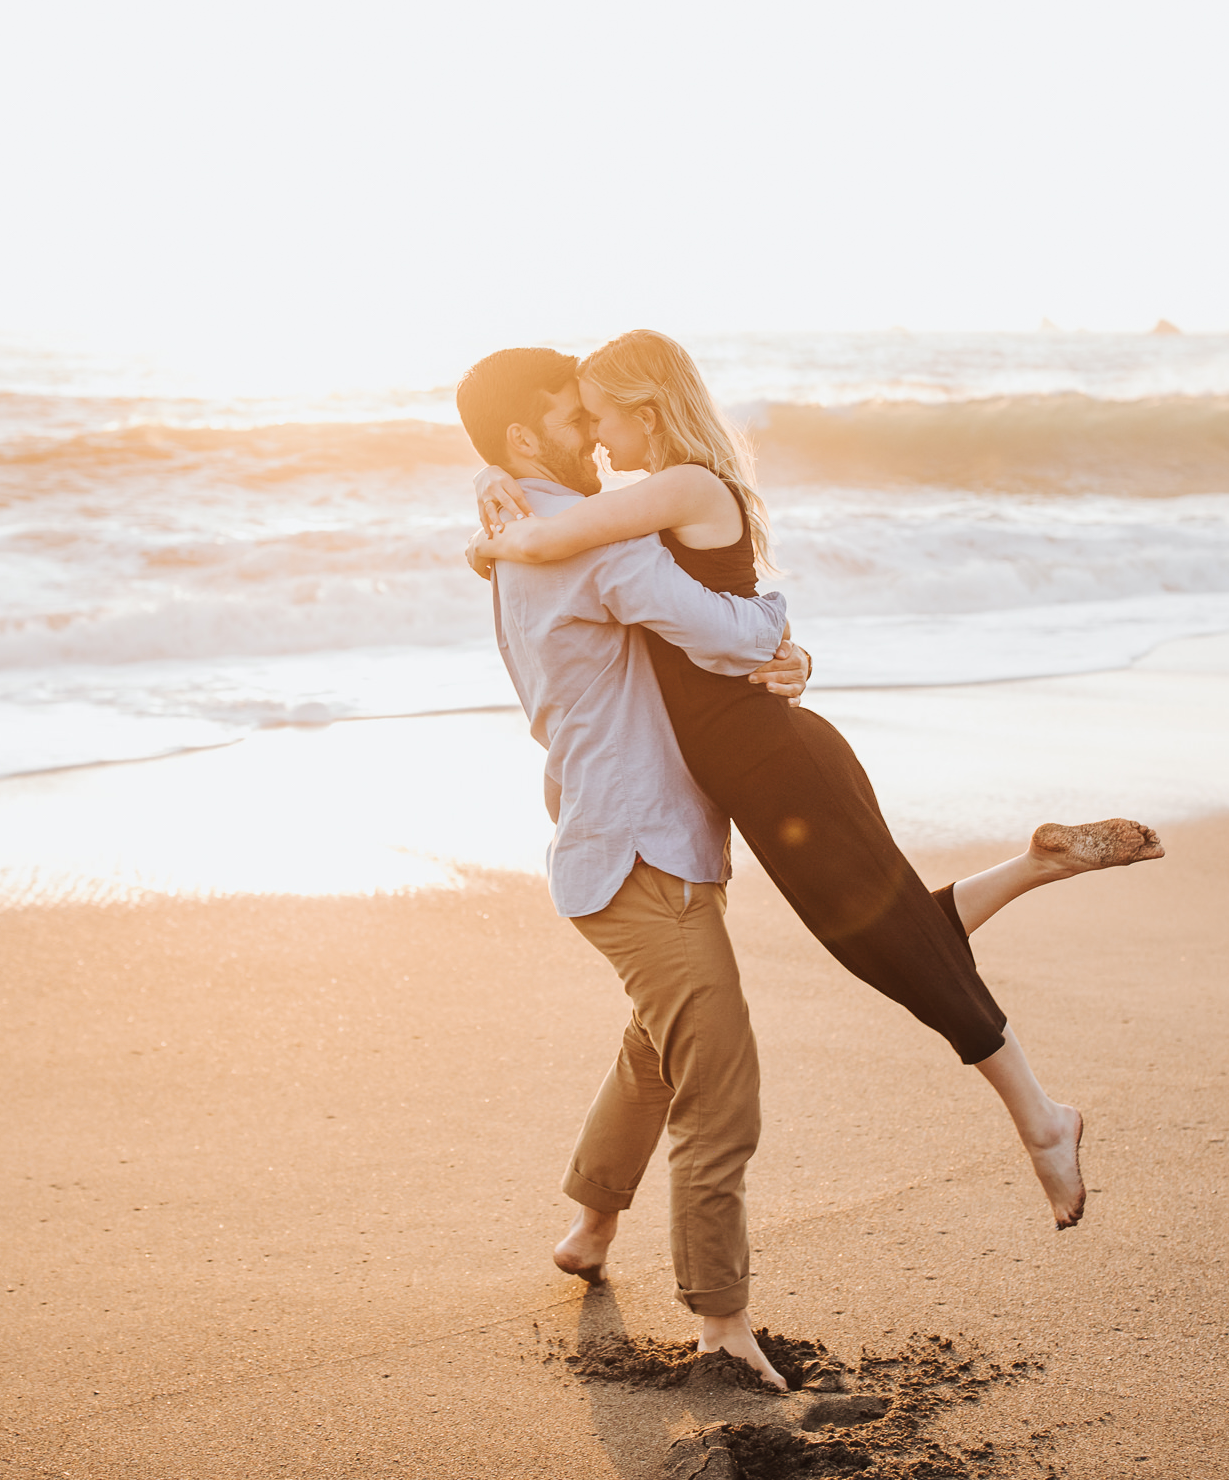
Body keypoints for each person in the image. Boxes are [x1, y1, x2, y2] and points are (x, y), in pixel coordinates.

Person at [467, 329, 1163, 1235]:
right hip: (757, 757)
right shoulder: (651, 499)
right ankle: (1034, 866)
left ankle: (1042, 1120)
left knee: (891, 952)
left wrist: (495, 536)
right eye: (579, 418)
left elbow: (570, 541)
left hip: (770, 760)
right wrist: (492, 514)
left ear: (645, 408)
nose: (595, 435)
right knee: (881, 939)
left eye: (601, 414)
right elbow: (578, 542)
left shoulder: (670, 490)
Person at [454, 346, 813, 1390]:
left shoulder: (515, 519)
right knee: (720, 1076)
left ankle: (588, 1222)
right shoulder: (593, 549)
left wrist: (771, 652)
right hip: (638, 848)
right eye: (575, 416)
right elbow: (722, 628)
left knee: (660, 1050)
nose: (597, 434)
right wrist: (781, 636)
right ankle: (722, 1318)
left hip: (613, 837)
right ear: (524, 439)